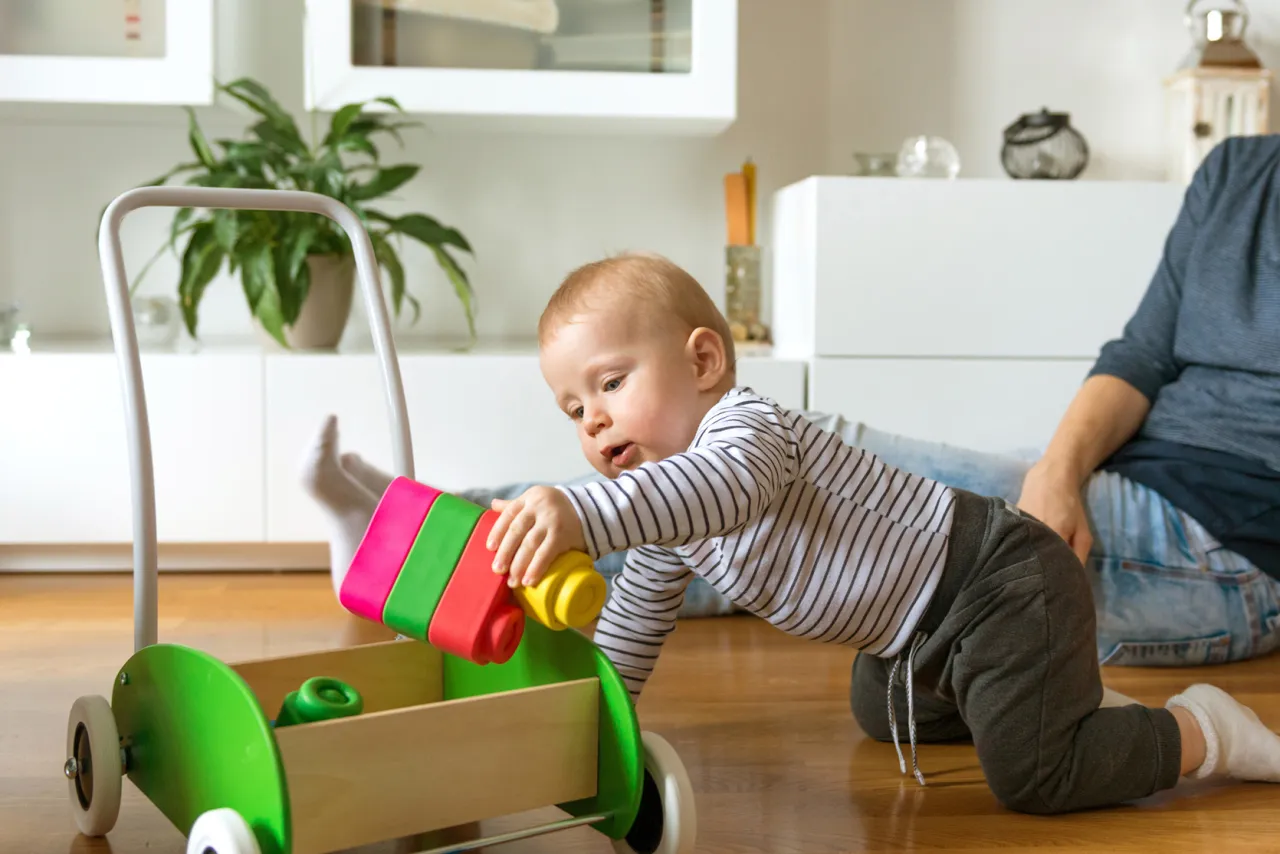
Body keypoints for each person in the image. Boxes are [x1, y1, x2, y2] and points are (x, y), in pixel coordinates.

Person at [305, 251, 1280, 815]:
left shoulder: (748, 431)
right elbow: (630, 640)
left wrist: (574, 507)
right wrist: (581, 721)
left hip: (1000, 583)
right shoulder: (659, 516)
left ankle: (1198, 729)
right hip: (914, 637)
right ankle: (388, 528)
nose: (591, 421)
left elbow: (717, 490)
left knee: (1032, 773)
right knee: (874, 704)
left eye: (608, 383)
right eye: (570, 407)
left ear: (702, 360)